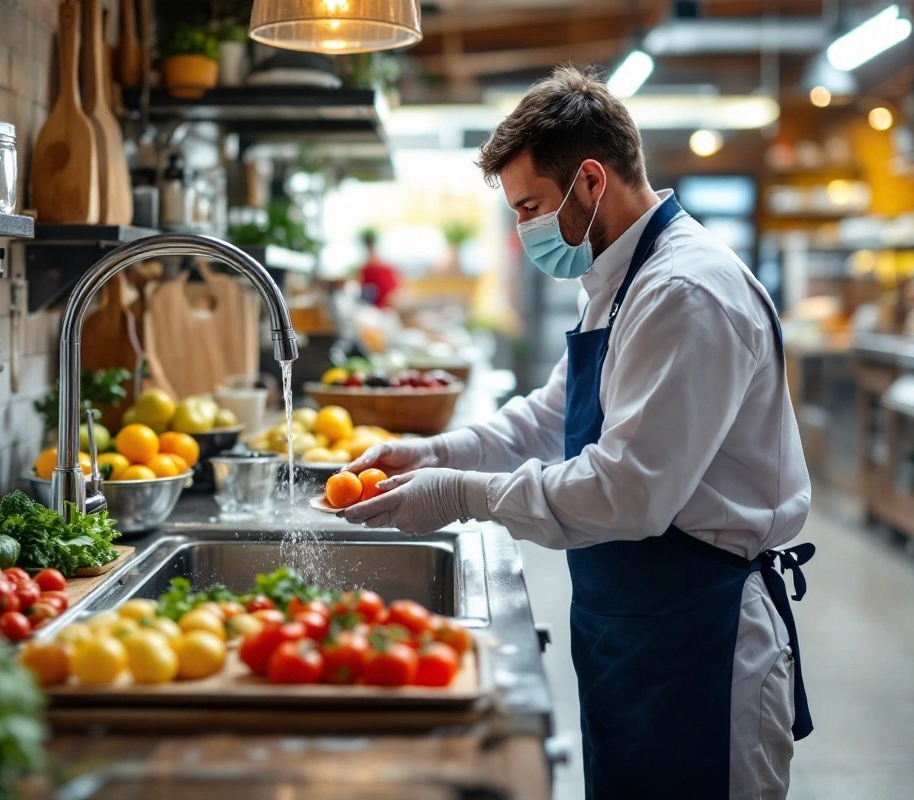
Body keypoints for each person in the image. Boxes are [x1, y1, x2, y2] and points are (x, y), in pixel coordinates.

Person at [343, 65, 814, 800]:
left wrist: (461, 493)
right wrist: (434, 452)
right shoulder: (621, 279)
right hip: (633, 630)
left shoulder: (684, 293)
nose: (526, 229)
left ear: (592, 181)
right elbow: (550, 418)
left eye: (531, 205)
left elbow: (629, 494)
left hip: (703, 643)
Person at [357, 230, 401, 308]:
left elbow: (394, 289)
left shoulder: (384, 268)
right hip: (379, 306)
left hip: (387, 304)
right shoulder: (368, 269)